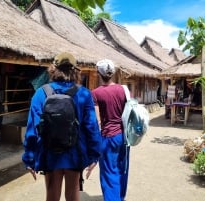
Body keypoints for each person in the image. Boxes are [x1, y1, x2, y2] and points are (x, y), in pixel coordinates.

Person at [22, 52, 102, 201]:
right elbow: (92, 127)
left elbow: (32, 130)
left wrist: (29, 158)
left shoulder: (40, 94)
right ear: (75, 71)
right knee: (73, 196)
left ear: (53, 69)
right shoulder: (83, 94)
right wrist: (94, 155)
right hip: (75, 153)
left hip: (49, 153)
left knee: (52, 196)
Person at [91, 59, 130, 201]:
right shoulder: (123, 90)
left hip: (107, 137)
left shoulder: (95, 93)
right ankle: (120, 197)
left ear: (98, 74)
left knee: (108, 172)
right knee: (121, 168)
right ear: (112, 73)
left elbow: (97, 121)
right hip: (123, 136)